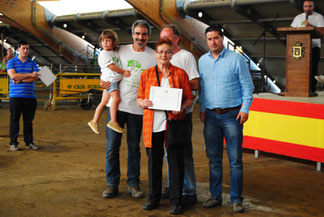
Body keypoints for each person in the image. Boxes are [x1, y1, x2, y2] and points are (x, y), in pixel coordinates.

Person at [198, 26, 254, 213]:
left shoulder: (236, 59)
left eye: (216, 38)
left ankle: (236, 199)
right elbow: (203, 89)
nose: (213, 42)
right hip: (211, 117)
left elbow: (247, 86)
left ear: (222, 39)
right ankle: (215, 196)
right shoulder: (202, 61)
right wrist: (203, 109)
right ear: (206, 41)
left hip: (232, 115)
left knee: (235, 160)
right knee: (213, 159)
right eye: (209, 39)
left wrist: (245, 109)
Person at [100, 20, 156, 199]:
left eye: (144, 34)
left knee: (134, 148)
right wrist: (102, 80)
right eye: (138, 34)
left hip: (138, 109)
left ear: (148, 36)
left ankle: (133, 183)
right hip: (116, 107)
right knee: (112, 147)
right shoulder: (120, 50)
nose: (141, 38)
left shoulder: (153, 55)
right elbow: (106, 66)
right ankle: (112, 184)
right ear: (132, 34)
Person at [137, 38, 193, 215]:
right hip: (152, 125)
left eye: (167, 52)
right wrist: (143, 102)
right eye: (160, 52)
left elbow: (189, 98)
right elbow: (139, 98)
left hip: (174, 124)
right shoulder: (146, 75)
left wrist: (182, 107)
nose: (164, 55)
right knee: (154, 162)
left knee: (176, 162)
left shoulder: (180, 74)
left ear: (172, 54)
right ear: (155, 54)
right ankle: (153, 198)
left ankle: (176, 201)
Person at [159, 25, 199, 204]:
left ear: (176, 38)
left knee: (184, 151)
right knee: (169, 152)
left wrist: (179, 92)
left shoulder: (186, 57)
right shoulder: (161, 57)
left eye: (168, 37)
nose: (165, 40)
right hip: (165, 113)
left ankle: (189, 190)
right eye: (162, 37)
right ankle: (173, 185)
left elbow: (195, 83)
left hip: (183, 112)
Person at [88, 30, 131, 134]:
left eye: (108, 40)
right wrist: (123, 72)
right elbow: (111, 66)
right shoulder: (104, 54)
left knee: (104, 102)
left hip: (110, 80)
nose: (105, 43)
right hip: (111, 80)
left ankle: (94, 121)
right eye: (103, 41)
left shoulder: (113, 52)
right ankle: (113, 121)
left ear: (114, 42)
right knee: (116, 98)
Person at [7, 40, 40, 151]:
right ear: (18, 49)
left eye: (27, 48)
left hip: (30, 97)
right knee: (14, 120)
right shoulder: (11, 62)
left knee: (28, 122)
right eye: (23, 48)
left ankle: (29, 142)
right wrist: (30, 75)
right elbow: (13, 76)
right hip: (15, 96)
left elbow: (35, 78)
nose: (26, 50)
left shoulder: (32, 63)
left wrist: (20, 80)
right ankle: (13, 143)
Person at [291, 0, 324, 93]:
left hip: (314, 47)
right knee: (299, 69)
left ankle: (311, 90)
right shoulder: (298, 18)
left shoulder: (319, 17)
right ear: (303, 7)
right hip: (300, 49)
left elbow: (322, 31)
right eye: (306, 6)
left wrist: (310, 26)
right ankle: (298, 88)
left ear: (313, 7)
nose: (307, 8)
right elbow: (292, 30)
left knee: (313, 69)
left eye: (309, 6)